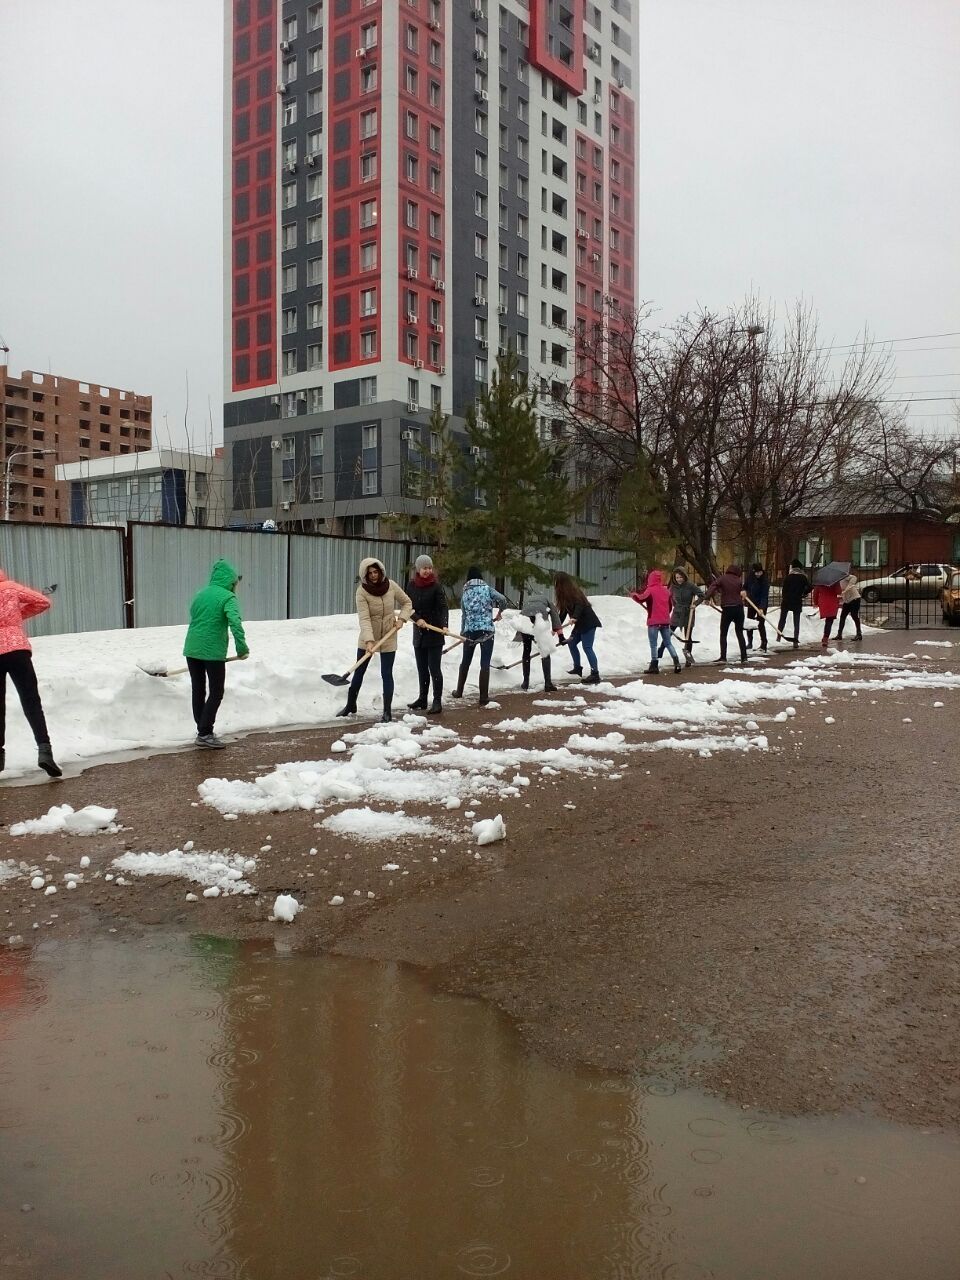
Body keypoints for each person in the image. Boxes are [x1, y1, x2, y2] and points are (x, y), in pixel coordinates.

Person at [183, 558, 249, 749]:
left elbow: (194, 614)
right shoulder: (228, 597)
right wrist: (242, 649)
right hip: (212, 651)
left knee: (198, 689)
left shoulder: (200, 594)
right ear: (231, 581)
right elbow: (235, 623)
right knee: (216, 691)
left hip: (192, 649)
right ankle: (205, 733)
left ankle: (203, 730)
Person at [0, 569, 61, 777]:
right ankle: (45, 751)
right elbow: (43, 602)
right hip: (18, 651)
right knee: (31, 701)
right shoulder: (11, 588)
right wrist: (17, 617)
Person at [338, 557, 413, 722]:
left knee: (386, 673)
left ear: (380, 571)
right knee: (359, 671)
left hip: (388, 635)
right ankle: (350, 704)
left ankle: (387, 711)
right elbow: (364, 618)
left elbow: (407, 603)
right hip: (368, 636)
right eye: (370, 573)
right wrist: (369, 641)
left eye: (375, 572)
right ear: (365, 575)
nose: (373, 575)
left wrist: (402, 619)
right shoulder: (362, 592)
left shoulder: (391, 585)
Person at [451, 566, 507, 707]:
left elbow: (464, 615)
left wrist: (463, 632)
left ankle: (459, 691)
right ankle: (483, 697)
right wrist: (500, 612)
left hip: (470, 631)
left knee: (465, 661)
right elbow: (502, 599)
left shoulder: (465, 593)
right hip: (486, 631)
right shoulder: (487, 589)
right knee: (484, 663)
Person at [406, 554, 448, 714]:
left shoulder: (436, 586)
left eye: (430, 568)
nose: (428, 571)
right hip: (419, 634)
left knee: (434, 669)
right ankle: (422, 699)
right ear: (418, 569)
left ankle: (437, 701)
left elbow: (443, 607)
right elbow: (407, 607)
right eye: (425, 568)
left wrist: (444, 625)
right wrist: (417, 619)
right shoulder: (411, 585)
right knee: (422, 669)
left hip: (435, 633)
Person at [554, 572, 603, 684]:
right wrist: (556, 626)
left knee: (587, 647)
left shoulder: (575, 593)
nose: (555, 585)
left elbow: (579, 605)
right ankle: (577, 668)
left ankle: (595, 674)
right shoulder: (564, 596)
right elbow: (563, 613)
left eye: (557, 582)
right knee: (571, 643)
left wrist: (574, 617)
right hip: (579, 625)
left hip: (588, 623)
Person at [630, 569, 681, 675]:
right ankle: (677, 663)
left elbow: (641, 598)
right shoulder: (666, 591)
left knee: (653, 644)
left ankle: (654, 666)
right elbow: (670, 607)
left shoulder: (650, 590)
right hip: (665, 622)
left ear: (650, 579)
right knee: (668, 643)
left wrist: (634, 595)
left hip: (653, 622)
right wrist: (664, 615)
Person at [515, 589, 560, 693]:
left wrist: (518, 635)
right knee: (545, 652)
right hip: (539, 622)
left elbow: (522, 616)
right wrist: (556, 629)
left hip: (526, 623)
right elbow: (554, 614)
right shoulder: (547, 600)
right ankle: (548, 683)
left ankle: (525, 682)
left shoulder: (527, 601)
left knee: (526, 651)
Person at [704, 564, 748, 664]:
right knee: (740, 632)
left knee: (723, 633)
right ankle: (744, 657)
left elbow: (713, 586)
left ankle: (723, 657)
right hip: (739, 608)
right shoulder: (738, 580)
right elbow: (742, 592)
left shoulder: (722, 578)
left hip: (727, 608)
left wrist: (707, 597)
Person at [665, 568, 703, 667]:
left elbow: (702, 595)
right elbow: (669, 597)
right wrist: (674, 605)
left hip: (688, 612)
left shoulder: (690, 586)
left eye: (681, 577)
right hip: (677, 612)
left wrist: (695, 604)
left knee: (688, 636)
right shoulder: (673, 587)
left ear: (684, 576)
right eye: (677, 577)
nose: (679, 579)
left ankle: (688, 659)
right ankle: (660, 652)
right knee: (668, 632)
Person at [777, 559, 810, 649]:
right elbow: (810, 587)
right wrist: (804, 593)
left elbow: (784, 590)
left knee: (782, 619)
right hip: (797, 600)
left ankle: (778, 636)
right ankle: (795, 640)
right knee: (796, 621)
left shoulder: (788, 577)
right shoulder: (803, 577)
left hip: (786, 601)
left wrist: (785, 597)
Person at [743, 562, 771, 652]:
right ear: (754, 571)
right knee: (749, 623)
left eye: (760, 572)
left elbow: (764, 596)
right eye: (756, 572)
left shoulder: (764, 580)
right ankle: (749, 642)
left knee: (760, 624)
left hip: (761, 604)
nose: (758, 574)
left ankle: (764, 643)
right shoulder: (750, 577)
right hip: (751, 603)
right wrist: (744, 591)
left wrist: (762, 608)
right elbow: (745, 586)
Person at [812, 577, 842, 647]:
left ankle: (825, 638)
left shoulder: (820, 581)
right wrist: (837, 584)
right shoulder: (835, 581)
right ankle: (825, 638)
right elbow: (839, 592)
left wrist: (815, 602)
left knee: (828, 620)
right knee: (829, 621)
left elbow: (815, 593)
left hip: (823, 602)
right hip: (832, 603)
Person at [837, 572, 863, 641]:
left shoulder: (845, 577)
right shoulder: (837, 581)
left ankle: (859, 634)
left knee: (854, 615)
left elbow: (854, 577)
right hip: (847, 600)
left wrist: (848, 587)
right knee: (842, 616)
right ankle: (839, 634)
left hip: (854, 598)